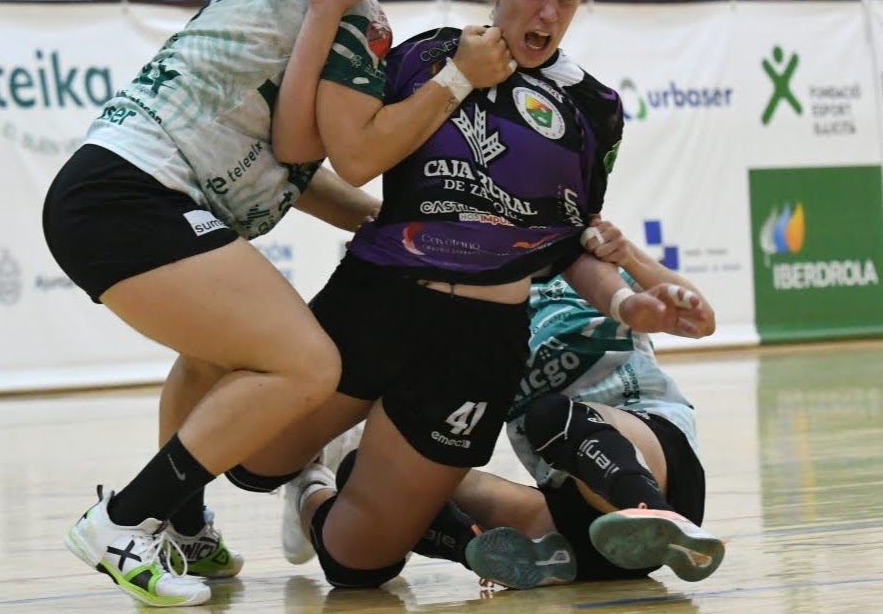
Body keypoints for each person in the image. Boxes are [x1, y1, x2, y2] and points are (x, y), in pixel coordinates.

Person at [224, 0, 702, 593]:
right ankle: (291, 470)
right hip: (381, 300)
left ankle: (316, 489)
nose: (547, 14)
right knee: (251, 462)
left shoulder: (595, 110)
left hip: (480, 345)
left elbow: (572, 244)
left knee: (360, 564)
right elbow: (322, 153)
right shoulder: (421, 57)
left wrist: (628, 303)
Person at [43, 0, 419, 608]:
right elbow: (306, 148)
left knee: (214, 361)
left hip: (101, 188)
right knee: (308, 365)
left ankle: (180, 524)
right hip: (134, 195)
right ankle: (124, 517)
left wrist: (380, 221)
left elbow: (289, 167)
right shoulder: (348, 14)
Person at [285, 217, 722, 588]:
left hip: (655, 459)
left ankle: (663, 521)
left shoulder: (593, 266)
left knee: (553, 417)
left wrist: (629, 256)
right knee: (373, 477)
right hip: (577, 524)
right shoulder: (475, 308)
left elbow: (702, 322)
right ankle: (483, 549)